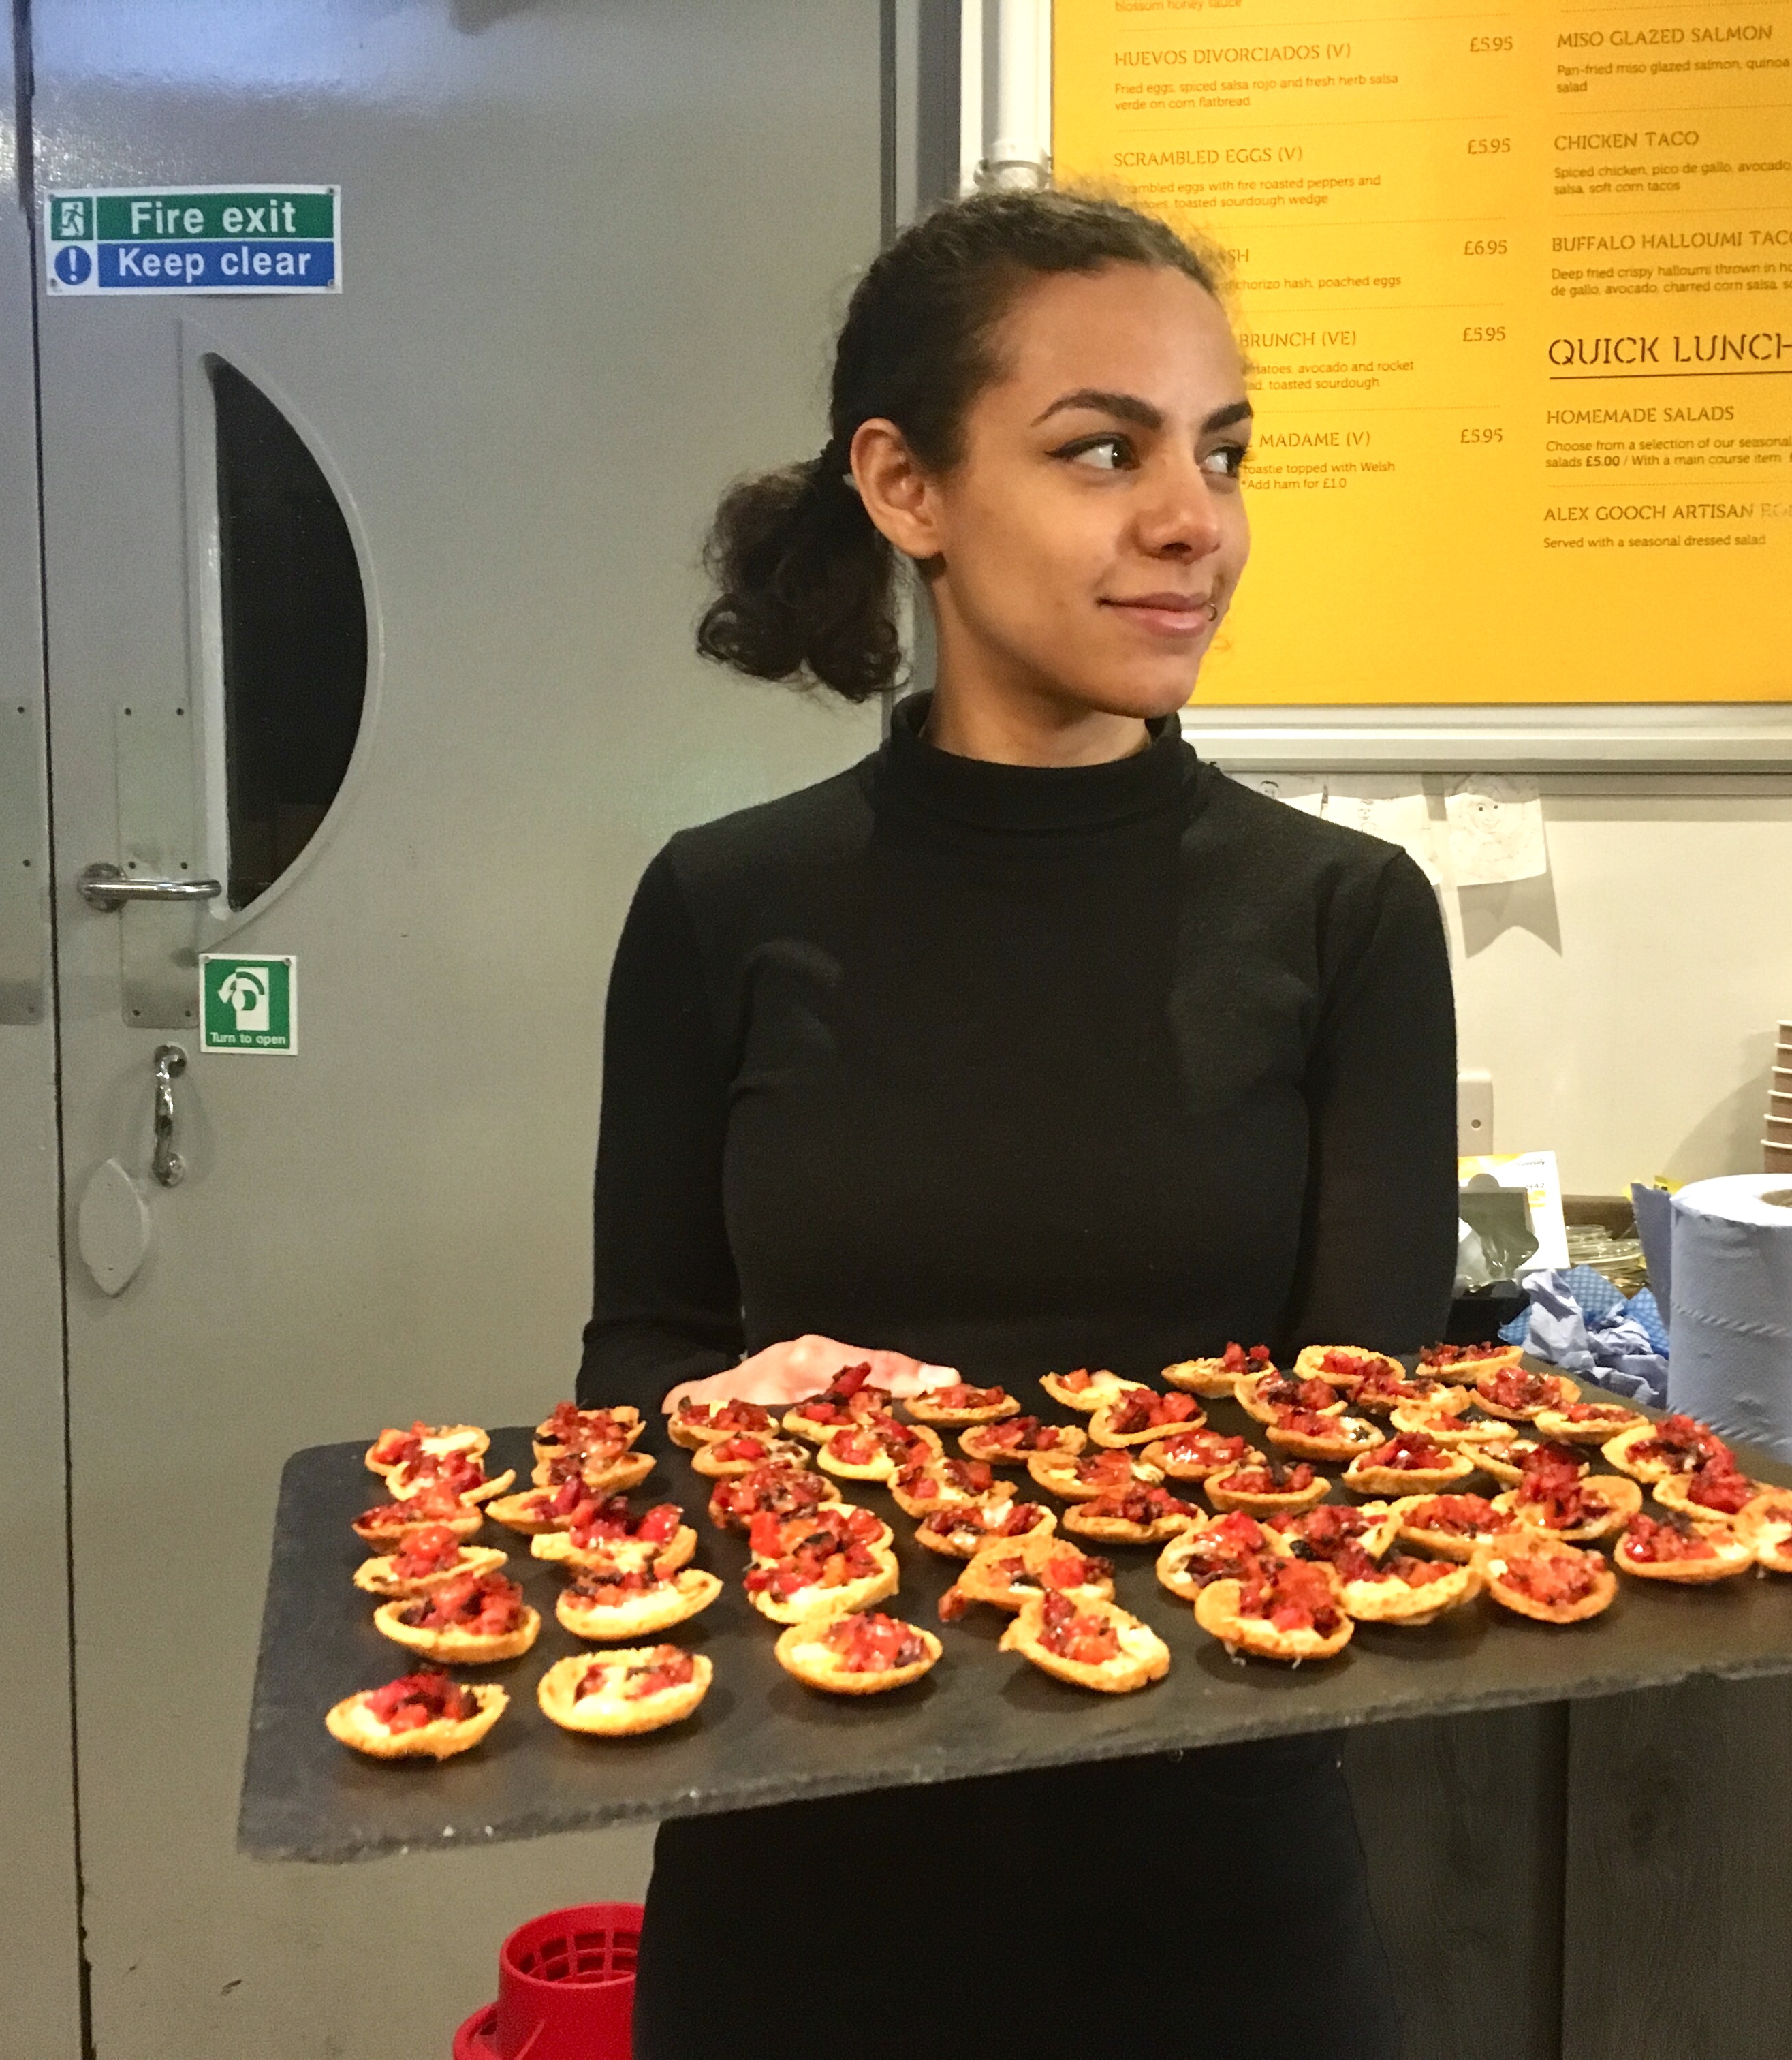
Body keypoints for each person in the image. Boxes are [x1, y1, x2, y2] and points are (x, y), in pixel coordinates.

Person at [578, 186, 1454, 2060]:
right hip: (807, 1851)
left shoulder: (1344, 918)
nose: (1193, 520)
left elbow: (1366, 1436)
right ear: (907, 488)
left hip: (1214, 1878)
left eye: (1222, 453)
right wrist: (716, 1410)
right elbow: (636, 1360)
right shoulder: (725, 905)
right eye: (1103, 452)